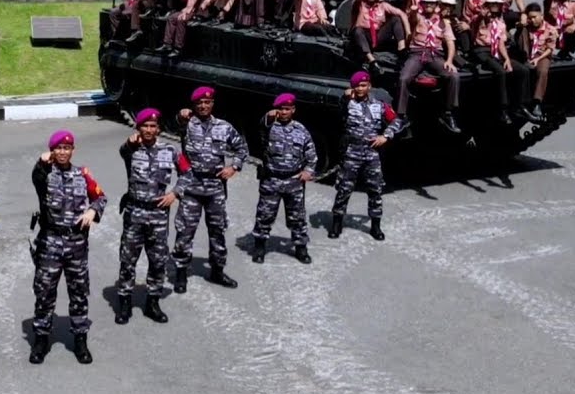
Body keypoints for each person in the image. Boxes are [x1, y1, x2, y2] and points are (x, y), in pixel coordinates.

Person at [28, 130, 106, 365]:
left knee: (79, 293)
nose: (62, 152)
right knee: (44, 293)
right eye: (58, 148)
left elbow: (100, 197)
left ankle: (80, 339)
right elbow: (36, 177)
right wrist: (40, 163)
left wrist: (93, 210)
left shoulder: (83, 175)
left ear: (73, 150)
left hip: (76, 244)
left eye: (67, 148)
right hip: (50, 242)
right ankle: (41, 339)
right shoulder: (45, 174)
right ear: (52, 151)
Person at [172, 87, 248, 292]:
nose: (203, 106)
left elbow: (242, 148)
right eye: (199, 103)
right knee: (185, 231)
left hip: (215, 188)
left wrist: (234, 167)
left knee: (217, 230)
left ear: (212, 103)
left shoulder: (224, 127)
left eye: (207, 102)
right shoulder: (187, 124)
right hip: (191, 187)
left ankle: (217, 270)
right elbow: (176, 120)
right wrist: (180, 114)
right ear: (194, 105)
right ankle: (180, 273)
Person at [114, 109, 179, 325]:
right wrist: (130, 144)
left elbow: (189, 174)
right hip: (135, 212)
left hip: (159, 214)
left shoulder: (170, 150)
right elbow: (123, 151)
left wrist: (175, 193)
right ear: (138, 128)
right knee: (128, 259)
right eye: (145, 126)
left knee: (158, 260)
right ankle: (124, 302)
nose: (149, 130)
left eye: (153, 126)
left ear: (158, 128)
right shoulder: (131, 150)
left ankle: (153, 302)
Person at [330, 71, 403, 240]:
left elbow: (397, 121)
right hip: (352, 151)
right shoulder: (347, 103)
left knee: (375, 190)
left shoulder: (379, 104)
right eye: (357, 86)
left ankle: (375, 226)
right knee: (344, 188)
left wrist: (385, 136)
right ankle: (337, 222)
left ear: (369, 86)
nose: (361, 88)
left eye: (364, 85)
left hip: (372, 153)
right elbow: (339, 112)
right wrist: (345, 97)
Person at [252, 93, 316, 265]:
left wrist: (308, 171)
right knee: (265, 215)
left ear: (293, 110)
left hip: (294, 181)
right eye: (280, 108)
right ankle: (259, 246)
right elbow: (261, 126)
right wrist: (268, 117)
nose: (283, 112)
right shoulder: (269, 127)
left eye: (287, 109)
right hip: (272, 179)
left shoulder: (301, 130)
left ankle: (301, 247)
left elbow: (311, 154)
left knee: (297, 217)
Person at [468, 0, 539, 123]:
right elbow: (475, 24)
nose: (494, 6)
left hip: (497, 52)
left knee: (523, 70)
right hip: (482, 51)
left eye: (497, 4)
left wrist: (506, 59)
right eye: (492, 4)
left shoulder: (500, 23)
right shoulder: (479, 19)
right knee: (500, 72)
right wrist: (481, 16)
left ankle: (521, 106)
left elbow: (500, 43)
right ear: (487, 5)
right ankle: (503, 109)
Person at [397, 0, 462, 133]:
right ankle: (401, 116)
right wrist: (413, 12)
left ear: (436, 4)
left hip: (435, 54)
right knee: (404, 78)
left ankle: (448, 113)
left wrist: (450, 60)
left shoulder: (443, 23)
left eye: (431, 3)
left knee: (453, 76)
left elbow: (450, 43)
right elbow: (412, 19)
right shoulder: (418, 17)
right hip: (417, 53)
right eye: (426, 3)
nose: (428, 6)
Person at [512, 3, 559, 118]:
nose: (533, 20)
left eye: (535, 17)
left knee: (542, 71)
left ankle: (537, 102)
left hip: (542, 55)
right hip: (526, 55)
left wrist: (538, 59)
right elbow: (517, 40)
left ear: (541, 16)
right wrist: (520, 27)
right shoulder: (526, 28)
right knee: (521, 71)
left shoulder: (550, 29)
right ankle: (518, 102)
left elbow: (550, 49)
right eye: (530, 18)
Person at [350, 0, 409, 71]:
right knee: (358, 30)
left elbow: (402, 14)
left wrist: (408, 32)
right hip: (363, 37)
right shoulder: (359, 4)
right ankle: (372, 60)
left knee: (395, 19)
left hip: (378, 35)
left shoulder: (382, 5)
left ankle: (401, 49)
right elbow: (357, 0)